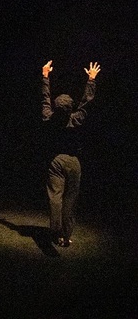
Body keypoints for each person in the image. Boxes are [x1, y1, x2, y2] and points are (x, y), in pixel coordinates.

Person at [41, 60, 100, 247]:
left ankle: (56, 233)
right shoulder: (76, 120)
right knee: (70, 200)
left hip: (56, 161)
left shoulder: (48, 118)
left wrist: (45, 77)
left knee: (55, 197)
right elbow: (87, 103)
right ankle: (65, 236)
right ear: (70, 108)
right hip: (73, 161)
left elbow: (45, 98)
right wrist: (91, 80)